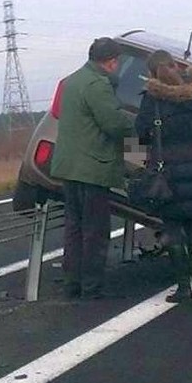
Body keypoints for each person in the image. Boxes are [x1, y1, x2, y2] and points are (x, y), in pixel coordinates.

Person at [51, 37, 136, 300]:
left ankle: (72, 283)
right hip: (92, 168)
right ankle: (92, 287)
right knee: (95, 231)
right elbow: (113, 124)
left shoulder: (71, 81)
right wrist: (140, 134)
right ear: (111, 61)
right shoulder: (97, 85)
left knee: (74, 228)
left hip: (69, 166)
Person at [135, 50, 192, 303]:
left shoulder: (153, 98)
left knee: (172, 229)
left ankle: (183, 287)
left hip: (167, 168)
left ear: (152, 72)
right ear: (176, 67)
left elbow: (140, 132)